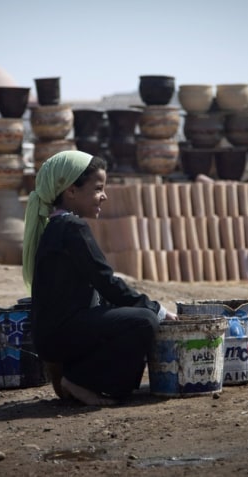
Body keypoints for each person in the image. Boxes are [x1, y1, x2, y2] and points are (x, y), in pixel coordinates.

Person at [22, 150, 177, 406]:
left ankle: (79, 377)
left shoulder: (57, 226)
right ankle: (79, 381)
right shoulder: (72, 228)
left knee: (126, 313)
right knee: (143, 321)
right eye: (97, 189)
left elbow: (101, 287)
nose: (104, 196)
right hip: (61, 336)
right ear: (71, 191)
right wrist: (156, 309)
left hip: (54, 335)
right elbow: (106, 281)